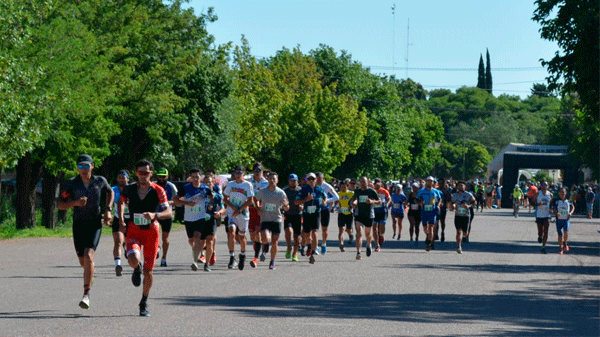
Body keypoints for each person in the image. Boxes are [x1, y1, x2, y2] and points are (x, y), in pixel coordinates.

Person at [58, 154, 113, 310]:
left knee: (89, 255)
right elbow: (61, 204)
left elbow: (110, 192)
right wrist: (75, 202)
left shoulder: (100, 181)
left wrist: (108, 210)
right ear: (77, 168)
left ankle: (86, 295)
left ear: (92, 166)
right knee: (84, 262)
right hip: (79, 225)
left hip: (95, 224)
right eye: (80, 166)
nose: (83, 169)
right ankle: (91, 274)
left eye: (86, 166)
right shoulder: (71, 184)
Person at [117, 159, 172, 316]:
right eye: (140, 173)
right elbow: (120, 203)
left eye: (146, 173)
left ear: (151, 174)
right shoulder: (129, 189)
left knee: (149, 271)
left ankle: (144, 302)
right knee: (133, 258)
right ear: (136, 174)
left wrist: (155, 214)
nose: (143, 176)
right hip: (134, 229)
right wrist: (121, 220)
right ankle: (136, 268)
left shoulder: (158, 190)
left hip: (151, 232)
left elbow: (168, 212)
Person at [173, 168, 212, 271]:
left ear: (201, 177)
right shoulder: (185, 188)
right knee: (191, 240)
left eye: (197, 177)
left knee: (197, 238)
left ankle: (195, 261)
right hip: (189, 218)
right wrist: (186, 203)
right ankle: (197, 250)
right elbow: (175, 200)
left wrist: (212, 207)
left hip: (200, 217)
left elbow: (212, 199)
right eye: (193, 177)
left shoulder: (206, 189)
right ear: (190, 178)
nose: (196, 179)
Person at [255, 172, 289, 269]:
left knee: (275, 242)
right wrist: (258, 208)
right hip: (265, 219)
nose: (272, 181)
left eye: (274, 179)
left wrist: (286, 205)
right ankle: (265, 246)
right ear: (267, 180)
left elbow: (286, 208)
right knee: (265, 237)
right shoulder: (262, 191)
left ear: (277, 181)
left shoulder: (281, 193)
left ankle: (272, 261)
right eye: (270, 179)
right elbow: (256, 200)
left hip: (277, 219)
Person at [223, 165, 254, 270]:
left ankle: (243, 254)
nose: (237, 175)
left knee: (241, 237)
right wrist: (233, 207)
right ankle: (232, 257)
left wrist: (240, 209)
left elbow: (250, 200)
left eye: (240, 173)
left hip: (243, 215)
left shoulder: (247, 185)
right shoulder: (231, 184)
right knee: (231, 231)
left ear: (243, 174)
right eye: (236, 173)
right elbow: (225, 199)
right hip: (232, 213)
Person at [295, 173, 327, 264]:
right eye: (309, 179)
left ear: (316, 179)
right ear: (306, 180)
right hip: (306, 214)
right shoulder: (303, 190)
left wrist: (324, 202)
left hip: (316, 213)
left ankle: (313, 252)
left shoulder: (319, 189)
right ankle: (307, 245)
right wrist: (306, 200)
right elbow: (296, 202)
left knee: (315, 233)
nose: (311, 180)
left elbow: (325, 197)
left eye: (312, 179)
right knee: (306, 234)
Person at [349, 176, 381, 260]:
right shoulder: (357, 191)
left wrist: (372, 201)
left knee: (367, 233)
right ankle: (358, 252)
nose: (362, 183)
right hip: (359, 215)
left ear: (368, 182)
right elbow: (355, 199)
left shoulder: (371, 191)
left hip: (369, 215)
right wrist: (354, 203)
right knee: (359, 232)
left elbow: (379, 201)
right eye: (361, 181)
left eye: (364, 181)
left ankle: (368, 244)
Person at [154, 168, 178, 267]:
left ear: (167, 176)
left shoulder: (171, 186)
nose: (161, 179)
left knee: (165, 237)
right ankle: (156, 248)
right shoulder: (153, 185)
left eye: (163, 177)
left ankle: (164, 258)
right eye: (160, 176)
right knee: (154, 234)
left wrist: (168, 203)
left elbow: (177, 200)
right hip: (155, 213)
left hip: (167, 214)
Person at [201, 174, 224, 271]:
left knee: (210, 239)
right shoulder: (199, 195)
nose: (207, 184)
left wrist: (219, 212)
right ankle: (202, 254)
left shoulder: (217, 196)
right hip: (200, 220)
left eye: (209, 182)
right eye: (205, 182)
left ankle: (206, 264)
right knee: (199, 241)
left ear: (212, 183)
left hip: (211, 220)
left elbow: (223, 208)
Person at [248, 163, 269, 264]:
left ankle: (256, 258)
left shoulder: (266, 182)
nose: (257, 172)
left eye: (259, 170)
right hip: (251, 211)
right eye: (255, 170)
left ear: (262, 171)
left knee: (258, 232)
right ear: (253, 171)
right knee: (253, 236)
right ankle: (261, 248)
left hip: (262, 211)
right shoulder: (248, 182)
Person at [111, 170, 130, 276]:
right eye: (119, 177)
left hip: (130, 220)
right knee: (118, 241)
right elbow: (110, 200)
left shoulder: (133, 189)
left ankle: (127, 248)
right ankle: (118, 265)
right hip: (118, 219)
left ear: (128, 179)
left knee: (129, 241)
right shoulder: (113, 190)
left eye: (124, 177)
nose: (121, 179)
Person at [417, 176, 443, 252]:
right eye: (428, 181)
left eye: (431, 181)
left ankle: (429, 244)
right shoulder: (421, 191)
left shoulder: (436, 191)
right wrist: (420, 202)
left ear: (433, 183)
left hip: (433, 211)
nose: (429, 182)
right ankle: (428, 236)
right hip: (424, 211)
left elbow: (440, 199)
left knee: (431, 227)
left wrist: (438, 205)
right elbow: (416, 199)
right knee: (425, 229)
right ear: (426, 182)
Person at [315, 172, 339, 255]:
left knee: (324, 229)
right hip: (315, 209)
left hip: (325, 209)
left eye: (319, 179)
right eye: (316, 179)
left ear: (323, 178)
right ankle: (316, 246)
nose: (317, 181)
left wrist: (327, 201)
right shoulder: (313, 186)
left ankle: (324, 244)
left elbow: (336, 197)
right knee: (315, 229)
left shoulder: (327, 186)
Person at [451, 181, 475, 254]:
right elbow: (451, 204)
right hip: (458, 215)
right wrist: (453, 205)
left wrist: (469, 206)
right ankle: (459, 247)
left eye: (462, 185)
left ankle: (465, 237)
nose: (460, 187)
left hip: (466, 216)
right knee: (458, 231)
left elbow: (474, 202)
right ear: (457, 187)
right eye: (459, 185)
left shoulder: (468, 194)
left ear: (465, 187)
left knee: (465, 232)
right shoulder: (454, 195)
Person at [283, 174, 302, 261]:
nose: (292, 182)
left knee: (296, 236)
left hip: (298, 215)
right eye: (291, 180)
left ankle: (295, 253)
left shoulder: (301, 190)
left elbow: (305, 201)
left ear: (297, 181)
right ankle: (289, 247)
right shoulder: (285, 190)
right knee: (288, 231)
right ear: (289, 181)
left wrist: (303, 206)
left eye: (294, 180)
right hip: (288, 214)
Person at [532, 181, 552, 254]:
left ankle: (543, 247)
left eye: (545, 185)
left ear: (548, 186)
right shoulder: (537, 194)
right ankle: (540, 236)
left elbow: (552, 204)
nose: (544, 186)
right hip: (539, 215)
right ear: (540, 186)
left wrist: (552, 209)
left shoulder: (550, 194)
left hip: (547, 215)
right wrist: (538, 204)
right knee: (540, 231)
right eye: (543, 185)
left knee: (546, 231)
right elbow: (532, 203)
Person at [553, 187, 574, 255]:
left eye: (563, 192)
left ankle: (565, 242)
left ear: (566, 193)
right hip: (559, 220)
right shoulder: (557, 201)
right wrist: (556, 213)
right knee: (560, 235)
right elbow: (554, 209)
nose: (562, 193)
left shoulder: (568, 201)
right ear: (559, 193)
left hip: (566, 219)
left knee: (566, 233)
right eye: (561, 192)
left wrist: (570, 213)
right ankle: (560, 248)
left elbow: (573, 207)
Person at [336, 179, 355, 251]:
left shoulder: (351, 193)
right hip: (341, 213)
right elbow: (336, 200)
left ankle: (350, 235)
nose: (343, 188)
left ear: (347, 187)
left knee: (348, 229)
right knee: (341, 230)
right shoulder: (338, 194)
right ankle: (341, 244)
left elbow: (355, 198)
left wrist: (352, 205)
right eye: (341, 187)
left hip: (349, 213)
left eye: (344, 187)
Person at [373, 178, 390, 251]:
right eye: (376, 184)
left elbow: (389, 198)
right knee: (374, 228)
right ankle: (377, 245)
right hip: (373, 211)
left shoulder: (384, 191)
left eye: (379, 184)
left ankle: (381, 235)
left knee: (381, 228)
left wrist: (387, 204)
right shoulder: (372, 191)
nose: (377, 185)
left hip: (382, 211)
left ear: (381, 184)